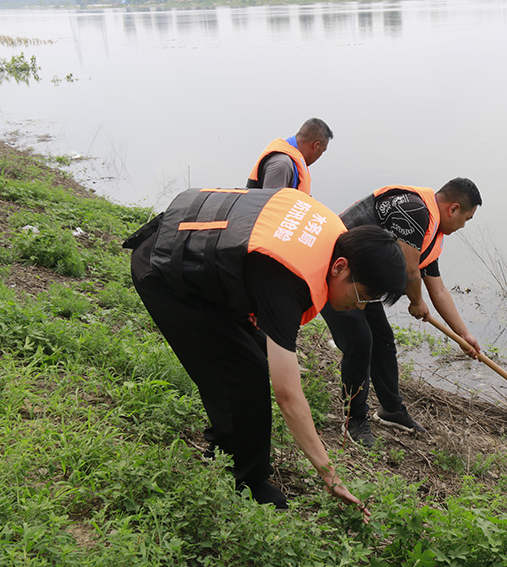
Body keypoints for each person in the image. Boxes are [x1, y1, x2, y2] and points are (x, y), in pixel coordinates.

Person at [124, 187, 406, 519]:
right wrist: (329, 475)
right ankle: (246, 482)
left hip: (192, 248)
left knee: (252, 354)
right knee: (243, 371)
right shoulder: (289, 280)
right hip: (164, 269)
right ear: (340, 267)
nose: (359, 306)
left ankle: (224, 449)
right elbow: (288, 395)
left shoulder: (333, 235)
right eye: (362, 295)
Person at [321, 178, 483, 447]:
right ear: (453, 209)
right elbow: (410, 271)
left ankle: (391, 410)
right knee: (360, 341)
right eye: (466, 218)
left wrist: (464, 334)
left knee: (383, 340)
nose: (463, 226)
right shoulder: (415, 211)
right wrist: (416, 302)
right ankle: (355, 419)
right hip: (337, 275)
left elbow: (438, 289)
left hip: (365, 283)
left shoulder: (430, 230)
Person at [246, 118, 333, 195]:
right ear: (316, 145)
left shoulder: (291, 161)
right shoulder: (282, 164)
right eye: (322, 151)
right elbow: (272, 208)